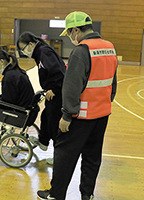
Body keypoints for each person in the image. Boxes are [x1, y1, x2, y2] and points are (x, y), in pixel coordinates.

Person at [37, 11, 118, 200]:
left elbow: (71, 87)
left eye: (70, 33)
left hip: (81, 116)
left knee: (64, 155)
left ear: (75, 30)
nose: (71, 38)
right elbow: (112, 83)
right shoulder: (109, 47)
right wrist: (105, 102)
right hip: (102, 114)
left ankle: (56, 195)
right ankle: (86, 194)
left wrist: (66, 115)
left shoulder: (82, 51)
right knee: (92, 157)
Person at [17, 32, 66, 165]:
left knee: (55, 123)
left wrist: (54, 88)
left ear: (31, 44)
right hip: (53, 91)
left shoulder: (44, 52)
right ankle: (43, 141)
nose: (23, 52)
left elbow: (58, 71)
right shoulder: (40, 53)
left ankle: (59, 159)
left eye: (23, 49)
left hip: (57, 92)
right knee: (46, 116)